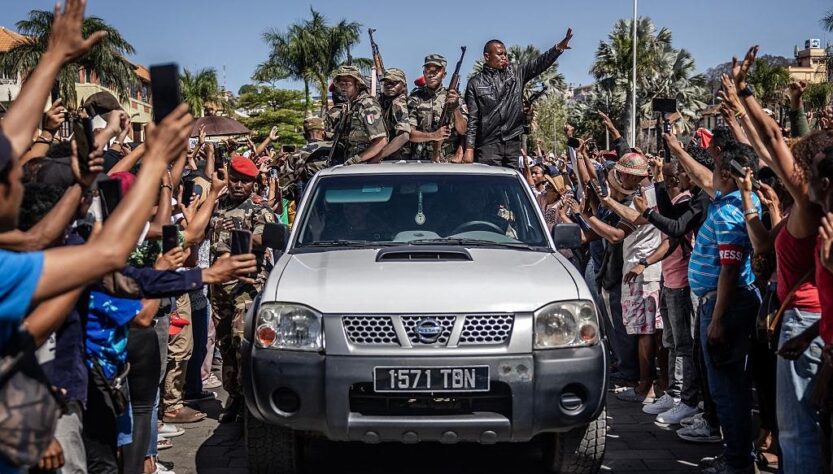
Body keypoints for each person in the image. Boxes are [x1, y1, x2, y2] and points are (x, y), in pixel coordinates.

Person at [209, 155, 277, 423]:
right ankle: (234, 395)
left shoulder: (259, 208)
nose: (238, 185)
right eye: (235, 179)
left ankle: (249, 400)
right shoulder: (218, 205)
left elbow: (267, 238)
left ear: (253, 183)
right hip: (220, 287)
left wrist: (241, 233)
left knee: (242, 343)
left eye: (245, 181)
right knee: (225, 342)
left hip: (246, 285)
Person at [463, 28, 572, 168]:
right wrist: (469, 148)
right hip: (488, 144)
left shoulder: (516, 72)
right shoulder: (475, 83)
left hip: (513, 142)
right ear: (487, 56)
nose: (504, 57)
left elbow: (538, 64)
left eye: (505, 54)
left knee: (512, 179)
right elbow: (472, 120)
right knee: (491, 180)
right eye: (500, 54)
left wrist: (558, 48)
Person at [407, 55, 467, 162]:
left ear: (444, 74)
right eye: (428, 70)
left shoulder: (455, 97)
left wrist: (455, 108)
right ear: (424, 73)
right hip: (420, 160)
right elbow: (410, 134)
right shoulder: (415, 98)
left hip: (448, 160)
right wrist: (433, 136)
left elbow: (463, 130)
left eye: (436, 71)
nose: (431, 74)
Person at [330, 65, 388, 166]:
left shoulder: (367, 104)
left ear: (357, 84)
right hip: (352, 164)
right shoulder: (350, 107)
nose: (343, 87)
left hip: (365, 166)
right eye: (340, 83)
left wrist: (358, 159)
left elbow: (381, 141)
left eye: (347, 83)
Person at [374, 68, 411, 161]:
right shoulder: (382, 101)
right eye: (386, 83)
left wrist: (378, 156)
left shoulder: (398, 103)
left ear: (404, 86)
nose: (389, 86)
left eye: (394, 83)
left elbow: (404, 136)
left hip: (398, 159)